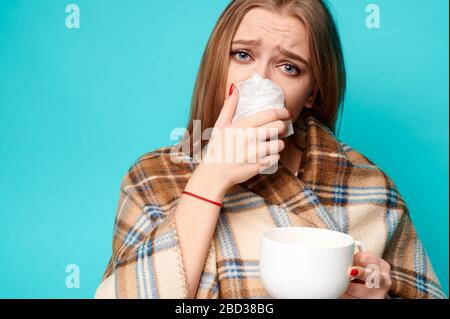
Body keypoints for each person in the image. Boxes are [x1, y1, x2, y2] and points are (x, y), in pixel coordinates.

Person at [95, 0, 446, 299]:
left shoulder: (370, 188)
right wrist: (211, 177)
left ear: (311, 93)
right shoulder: (152, 177)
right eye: (242, 55)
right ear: (218, 65)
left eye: (288, 67)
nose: (258, 80)